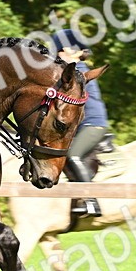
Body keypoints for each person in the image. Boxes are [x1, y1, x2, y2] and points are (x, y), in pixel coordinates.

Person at [50, 26, 115, 216]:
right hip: (81, 125)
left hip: (93, 124)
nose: (60, 54)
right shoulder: (69, 73)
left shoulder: (79, 72)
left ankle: (91, 201)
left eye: (63, 50)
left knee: (73, 155)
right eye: (59, 50)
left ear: (78, 53)